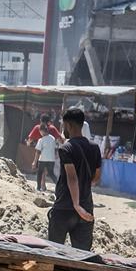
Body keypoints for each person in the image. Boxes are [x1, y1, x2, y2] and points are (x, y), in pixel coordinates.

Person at [47, 107, 102, 250]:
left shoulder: (66, 148)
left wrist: (76, 205)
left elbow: (72, 178)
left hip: (65, 207)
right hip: (86, 209)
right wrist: (84, 187)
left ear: (69, 125)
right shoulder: (95, 148)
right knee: (82, 255)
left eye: (64, 125)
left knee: (53, 251)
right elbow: (96, 177)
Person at [34, 125, 58, 192]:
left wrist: (35, 161)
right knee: (51, 174)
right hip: (51, 159)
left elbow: (38, 151)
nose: (40, 133)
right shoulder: (53, 138)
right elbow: (56, 148)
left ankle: (38, 188)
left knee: (39, 173)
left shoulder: (41, 140)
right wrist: (55, 155)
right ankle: (58, 186)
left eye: (40, 132)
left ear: (42, 131)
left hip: (43, 159)